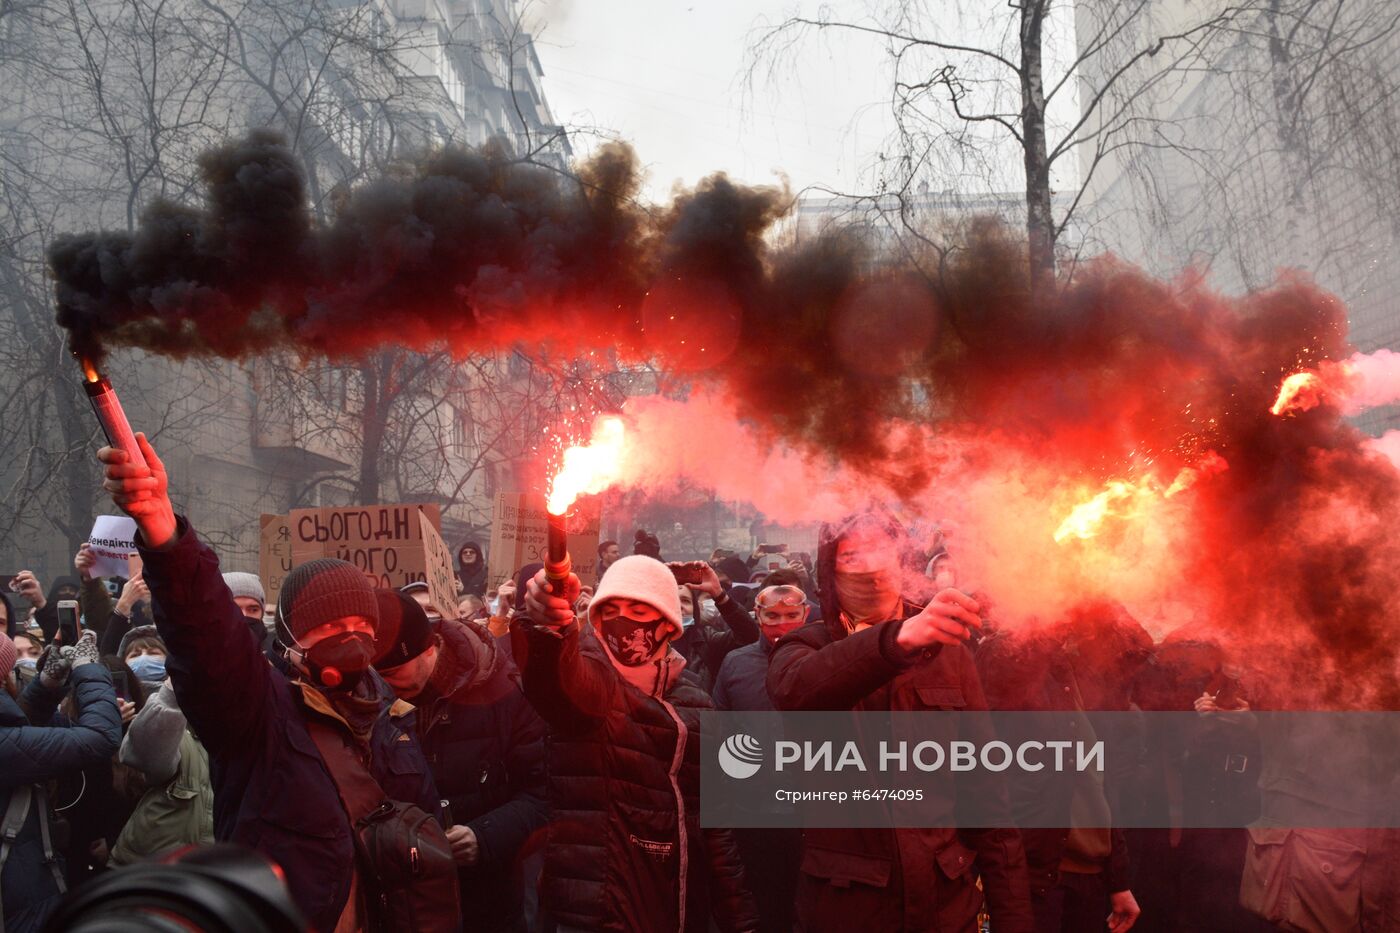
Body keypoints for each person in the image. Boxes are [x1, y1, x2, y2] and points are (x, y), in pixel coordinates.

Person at [97, 433, 452, 933]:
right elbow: (206, 636)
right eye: (329, 628)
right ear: (289, 639)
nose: (350, 639)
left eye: (362, 629)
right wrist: (163, 531)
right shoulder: (258, 712)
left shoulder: (394, 720)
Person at [766, 511, 1034, 932]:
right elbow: (796, 691)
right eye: (852, 555)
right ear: (829, 570)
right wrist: (897, 639)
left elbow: (988, 800)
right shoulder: (806, 646)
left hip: (946, 908)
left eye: (881, 551)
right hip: (848, 912)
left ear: (904, 561)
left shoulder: (948, 652)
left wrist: (1014, 921)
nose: (870, 566)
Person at [517, 555, 758, 932]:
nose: (621, 620)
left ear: (667, 625)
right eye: (610, 609)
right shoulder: (589, 682)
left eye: (637, 609)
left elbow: (716, 833)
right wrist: (551, 627)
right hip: (598, 914)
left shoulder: (696, 701)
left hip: (676, 908)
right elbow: (557, 685)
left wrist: (739, 921)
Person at [375, 590, 548, 931]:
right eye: (374, 673)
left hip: (486, 904)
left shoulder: (507, 693)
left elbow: (544, 795)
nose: (383, 684)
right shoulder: (372, 699)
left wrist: (482, 837)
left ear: (429, 648)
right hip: (403, 905)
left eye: (393, 671)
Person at [1, 630, 122, 933]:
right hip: (19, 909)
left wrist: (46, 686)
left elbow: (20, 731)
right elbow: (100, 737)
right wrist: (88, 669)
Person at [712, 584, 809, 933]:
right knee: (764, 908)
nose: (781, 625)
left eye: (790, 616)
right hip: (754, 814)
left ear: (805, 615)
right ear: (758, 615)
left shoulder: (827, 659)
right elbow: (719, 737)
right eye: (772, 616)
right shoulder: (736, 663)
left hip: (812, 814)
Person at [110, 676, 215, 866]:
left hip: (221, 875)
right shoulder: (178, 728)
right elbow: (142, 756)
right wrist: (175, 685)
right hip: (151, 873)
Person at [671, 561, 759, 693]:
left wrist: (719, 593)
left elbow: (748, 635)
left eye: (685, 601)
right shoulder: (642, 640)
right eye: (671, 599)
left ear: (695, 609)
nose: (679, 606)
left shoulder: (707, 640)